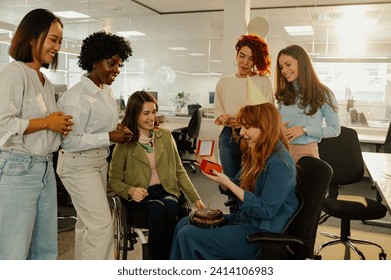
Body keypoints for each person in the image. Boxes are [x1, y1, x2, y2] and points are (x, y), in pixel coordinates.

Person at [170, 79, 298, 260]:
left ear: (265, 127)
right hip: (245, 220)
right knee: (184, 223)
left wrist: (227, 181)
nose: (242, 133)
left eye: (246, 127)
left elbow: (266, 210)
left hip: (260, 233)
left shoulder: (280, 163)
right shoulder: (257, 152)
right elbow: (240, 185)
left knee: (188, 235)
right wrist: (218, 173)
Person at [0, 9, 74, 260]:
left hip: (44, 168)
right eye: (53, 39)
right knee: (14, 251)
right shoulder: (14, 72)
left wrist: (59, 127)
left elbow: (45, 127)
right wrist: (46, 123)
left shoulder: (46, 81)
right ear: (32, 37)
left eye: (60, 42)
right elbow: (3, 125)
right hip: (18, 168)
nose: (57, 47)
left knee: (45, 250)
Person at [56, 31, 133, 260]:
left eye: (119, 65)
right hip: (77, 165)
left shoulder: (105, 90)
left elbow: (99, 125)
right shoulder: (75, 98)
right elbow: (68, 141)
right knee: (100, 226)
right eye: (111, 64)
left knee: (87, 224)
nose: (116, 70)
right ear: (94, 61)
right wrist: (108, 137)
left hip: (98, 162)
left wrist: (118, 129)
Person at [108, 91, 205, 260]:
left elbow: (179, 170)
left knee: (171, 205)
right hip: (140, 196)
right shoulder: (125, 142)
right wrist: (130, 191)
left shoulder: (165, 136)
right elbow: (113, 180)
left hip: (166, 190)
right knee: (158, 209)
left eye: (154, 112)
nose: (152, 117)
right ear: (134, 114)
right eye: (146, 113)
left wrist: (196, 198)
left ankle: (168, 261)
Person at [214, 35, 274, 211]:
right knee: (232, 183)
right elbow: (217, 113)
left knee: (252, 181)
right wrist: (223, 118)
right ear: (236, 54)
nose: (245, 62)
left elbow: (269, 114)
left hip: (253, 138)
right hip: (229, 136)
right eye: (242, 55)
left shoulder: (263, 81)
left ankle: (249, 218)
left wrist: (244, 120)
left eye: (251, 58)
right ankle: (235, 219)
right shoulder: (224, 82)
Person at [275, 44, 341, 162]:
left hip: (306, 154)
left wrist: (304, 130)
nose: (284, 71)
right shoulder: (284, 94)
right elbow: (278, 122)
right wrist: (278, 128)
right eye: (281, 67)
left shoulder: (323, 93)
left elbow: (335, 129)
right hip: (281, 151)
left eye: (288, 64)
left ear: (302, 63)